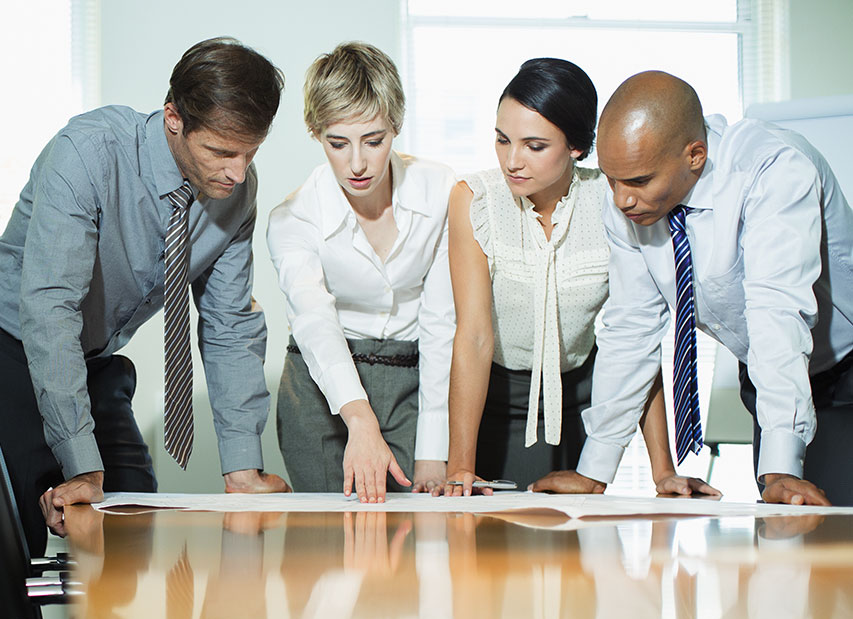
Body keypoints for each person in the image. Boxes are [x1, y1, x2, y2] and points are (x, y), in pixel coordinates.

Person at [0, 37, 290, 554]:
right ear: (174, 117)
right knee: (11, 547)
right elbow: (50, 309)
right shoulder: (87, 154)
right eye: (221, 152)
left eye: (250, 153)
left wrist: (243, 468)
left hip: (90, 361)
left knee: (132, 527)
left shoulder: (235, 190)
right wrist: (82, 468)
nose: (237, 173)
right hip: (4, 347)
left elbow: (229, 324)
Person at [532, 71, 853, 506]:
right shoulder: (630, 204)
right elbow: (633, 326)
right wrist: (595, 470)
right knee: (786, 534)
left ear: (695, 155)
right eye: (611, 180)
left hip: (842, 364)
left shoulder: (772, 169)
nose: (622, 199)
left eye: (640, 181)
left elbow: (775, 312)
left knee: (832, 535)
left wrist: (779, 468)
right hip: (765, 372)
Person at [444, 59, 713, 496]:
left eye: (534, 146)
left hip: (583, 407)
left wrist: (663, 471)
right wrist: (460, 465)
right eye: (502, 139)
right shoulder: (474, 200)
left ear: (577, 147)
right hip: (492, 403)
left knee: (573, 555)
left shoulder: (614, 201)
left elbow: (636, 337)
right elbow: (473, 336)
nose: (512, 161)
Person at [267, 42, 455, 503]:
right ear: (315, 133)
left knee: (416, 551)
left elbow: (442, 321)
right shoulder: (291, 218)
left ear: (397, 126)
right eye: (338, 143)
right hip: (321, 390)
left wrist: (434, 444)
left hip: (417, 382)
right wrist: (359, 418)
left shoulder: (442, 191)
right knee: (329, 553)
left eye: (374, 140)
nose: (357, 163)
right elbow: (315, 320)